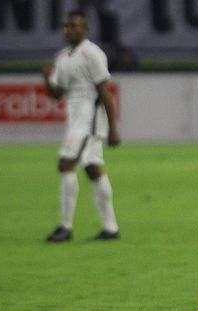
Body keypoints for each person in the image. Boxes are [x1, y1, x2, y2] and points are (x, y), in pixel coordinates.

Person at [42, 10, 121, 242]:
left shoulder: (92, 54)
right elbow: (58, 93)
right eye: (66, 26)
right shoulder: (63, 57)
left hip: (89, 120)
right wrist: (47, 78)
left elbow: (105, 91)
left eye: (74, 26)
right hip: (75, 118)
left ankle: (65, 227)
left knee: (65, 164)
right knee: (93, 169)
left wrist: (113, 128)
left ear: (85, 30)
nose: (69, 30)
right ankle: (111, 228)